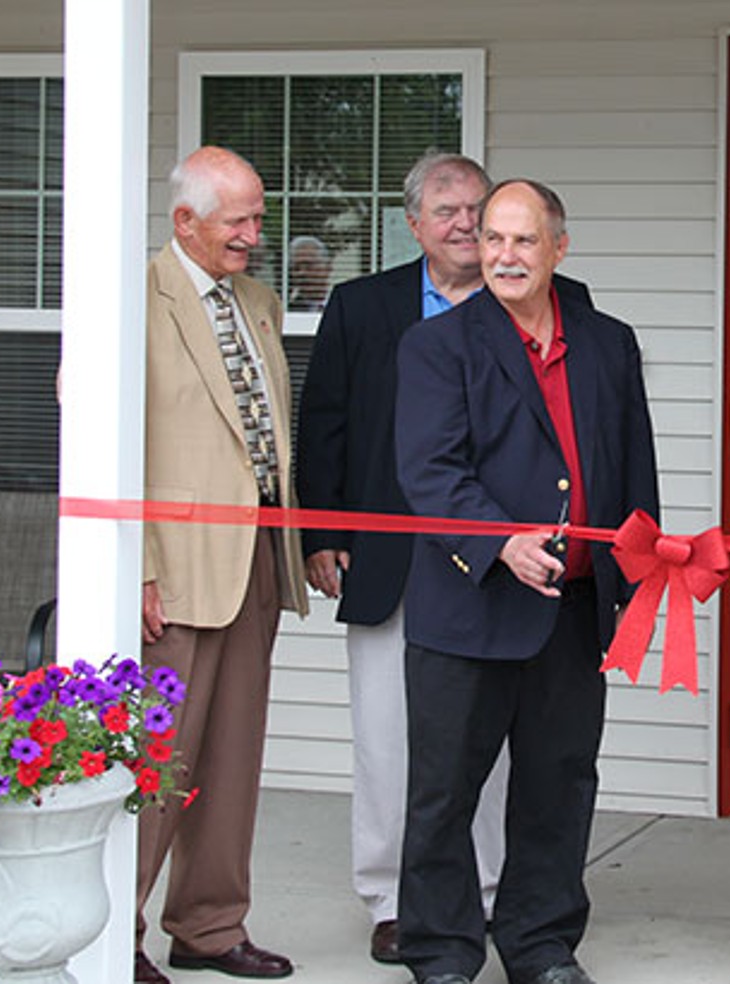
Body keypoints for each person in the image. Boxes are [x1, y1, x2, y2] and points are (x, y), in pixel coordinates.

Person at [296, 153, 591, 965]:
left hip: (528, 571)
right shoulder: (371, 308)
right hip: (400, 561)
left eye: (483, 215)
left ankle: (496, 901)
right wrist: (322, 535)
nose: (470, 230)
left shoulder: (568, 316)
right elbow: (327, 418)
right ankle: (397, 902)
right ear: (416, 224)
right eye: (454, 214)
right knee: (402, 752)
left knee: (513, 761)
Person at [394, 179, 659, 984]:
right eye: (492, 240)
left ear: (558, 249)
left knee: (560, 787)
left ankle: (541, 945)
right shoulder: (436, 346)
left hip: (575, 615)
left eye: (523, 240)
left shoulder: (608, 343)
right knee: (444, 793)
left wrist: (641, 577)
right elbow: (429, 472)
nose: (504, 255)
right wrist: (498, 541)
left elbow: (633, 473)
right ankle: (441, 952)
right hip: (469, 608)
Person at [136, 146, 309, 984]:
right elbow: (97, 442)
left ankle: (208, 925)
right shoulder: (133, 299)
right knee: (155, 761)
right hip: (172, 572)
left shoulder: (257, 301)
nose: (253, 234)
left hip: (256, 562)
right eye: (238, 220)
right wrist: (132, 567)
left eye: (257, 218)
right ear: (185, 221)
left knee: (232, 759)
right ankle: (111, 932)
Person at [285, 234, 334, 312]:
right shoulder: (287, 311)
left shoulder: (345, 305)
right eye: (296, 268)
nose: (302, 273)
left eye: (309, 266)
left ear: (328, 268)